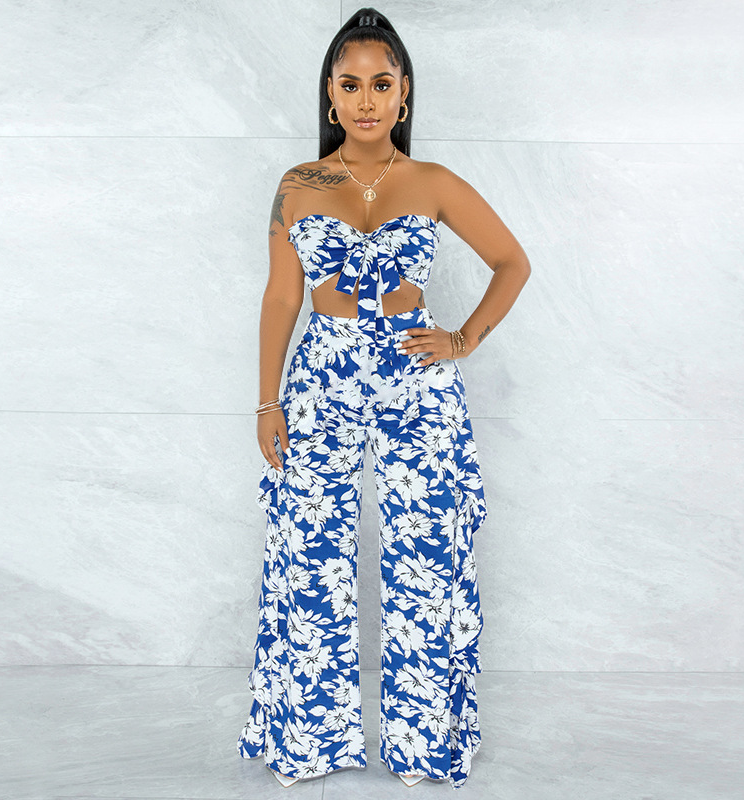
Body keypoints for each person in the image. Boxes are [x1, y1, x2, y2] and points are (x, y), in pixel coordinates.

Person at [235, 6, 530, 790]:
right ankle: (311, 742)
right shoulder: (299, 185)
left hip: (416, 384)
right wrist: (267, 402)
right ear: (331, 97)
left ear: (403, 95)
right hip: (320, 381)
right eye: (350, 84)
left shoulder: (433, 183)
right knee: (309, 559)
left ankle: (426, 747)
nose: (366, 98)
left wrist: (461, 340)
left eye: (381, 83)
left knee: (427, 563)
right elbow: (281, 298)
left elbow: (512, 263)